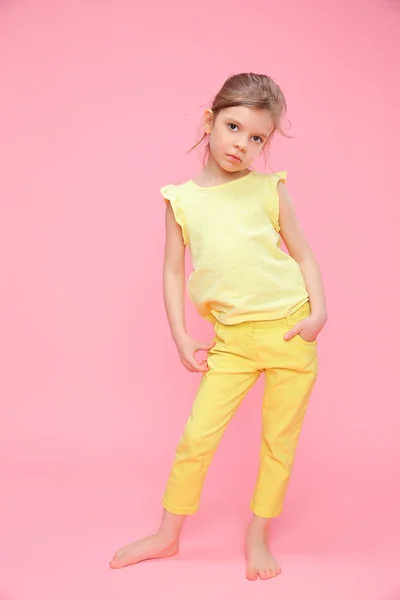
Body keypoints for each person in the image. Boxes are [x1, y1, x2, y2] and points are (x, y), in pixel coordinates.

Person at [110, 72, 327, 580]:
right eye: (234, 127)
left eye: (257, 138)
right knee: (197, 437)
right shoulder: (181, 199)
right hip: (230, 340)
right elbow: (171, 269)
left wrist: (319, 312)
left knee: (279, 440)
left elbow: (304, 254)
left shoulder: (268, 189)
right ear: (209, 120)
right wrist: (181, 333)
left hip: (289, 330)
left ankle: (257, 534)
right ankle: (168, 535)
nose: (243, 144)